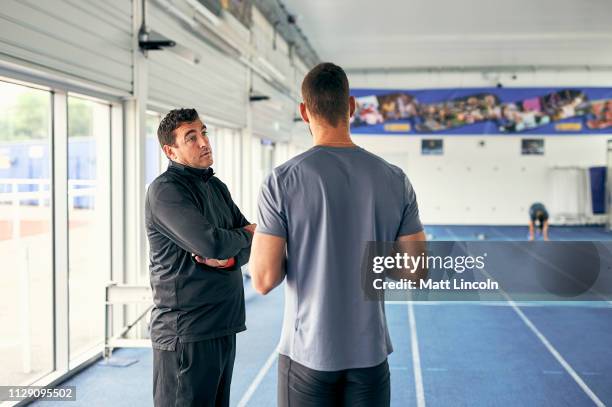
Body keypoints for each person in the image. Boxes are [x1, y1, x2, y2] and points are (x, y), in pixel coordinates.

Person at [249, 63, 426, 406]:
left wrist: (300, 248)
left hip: (308, 354)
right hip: (369, 354)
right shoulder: (395, 179)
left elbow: (263, 279)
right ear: (352, 106)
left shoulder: (281, 181)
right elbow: (415, 271)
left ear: (304, 111)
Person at [145, 108, 255, 407]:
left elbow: (245, 246)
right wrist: (237, 239)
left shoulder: (216, 187)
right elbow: (213, 243)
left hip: (222, 324)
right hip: (187, 332)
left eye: (204, 132)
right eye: (191, 137)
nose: (204, 142)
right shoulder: (165, 191)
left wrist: (231, 257)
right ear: (171, 150)